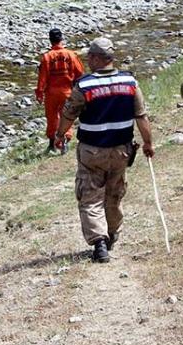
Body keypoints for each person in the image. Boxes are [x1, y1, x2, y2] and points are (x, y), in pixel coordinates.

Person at [55, 37, 155, 263]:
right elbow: (141, 115)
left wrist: (60, 134)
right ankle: (111, 234)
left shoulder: (84, 85)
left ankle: (98, 242)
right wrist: (148, 143)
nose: (88, 60)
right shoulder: (130, 82)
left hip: (92, 151)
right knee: (114, 193)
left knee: (90, 195)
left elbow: (69, 114)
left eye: (90, 56)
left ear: (99, 58)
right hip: (122, 150)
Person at [35, 28, 85, 153]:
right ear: (61, 39)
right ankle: (65, 142)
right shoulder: (71, 55)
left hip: (51, 93)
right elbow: (80, 73)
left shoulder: (47, 57)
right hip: (67, 91)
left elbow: (42, 77)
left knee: (51, 117)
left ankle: (52, 144)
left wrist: (39, 93)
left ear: (50, 40)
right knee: (66, 116)